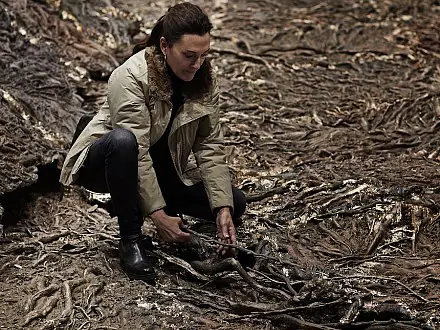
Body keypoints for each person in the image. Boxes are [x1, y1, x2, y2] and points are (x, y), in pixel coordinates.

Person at [59, 2, 246, 281]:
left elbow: (209, 145)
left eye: (204, 55)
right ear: (164, 45)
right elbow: (139, 149)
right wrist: (158, 217)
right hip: (106, 162)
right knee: (124, 142)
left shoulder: (203, 80)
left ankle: (141, 201)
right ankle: (130, 238)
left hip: (160, 167)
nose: (197, 64)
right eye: (189, 55)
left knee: (237, 201)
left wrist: (223, 208)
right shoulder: (130, 75)